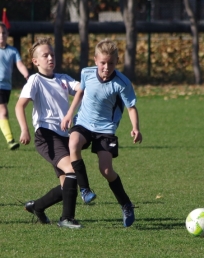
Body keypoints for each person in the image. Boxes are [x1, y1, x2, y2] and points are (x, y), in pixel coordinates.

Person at [61, 38, 142, 227]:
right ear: (96, 60)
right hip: (84, 122)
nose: (106, 67)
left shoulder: (122, 83)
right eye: (103, 63)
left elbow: (131, 107)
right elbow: (80, 92)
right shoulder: (86, 73)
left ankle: (126, 204)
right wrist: (69, 114)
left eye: (111, 63)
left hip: (106, 128)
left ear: (117, 61)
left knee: (106, 170)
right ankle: (85, 190)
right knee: (73, 144)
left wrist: (135, 128)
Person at [15, 37, 95, 229]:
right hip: (46, 136)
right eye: (45, 55)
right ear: (35, 62)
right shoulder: (35, 80)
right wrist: (25, 129)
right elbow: (19, 106)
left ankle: (37, 206)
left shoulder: (63, 79)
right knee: (73, 172)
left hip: (63, 137)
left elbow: (81, 89)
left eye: (52, 54)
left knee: (67, 185)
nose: (50, 58)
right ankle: (66, 219)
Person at [0, 22, 29, 150]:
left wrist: (26, 74)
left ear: (7, 34)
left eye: (3, 33)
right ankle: (10, 140)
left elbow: (20, 65)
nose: (1, 35)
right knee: (3, 111)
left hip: (6, 87)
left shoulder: (12, 51)